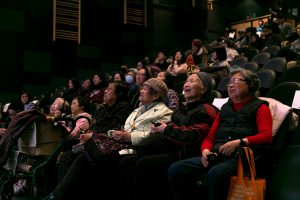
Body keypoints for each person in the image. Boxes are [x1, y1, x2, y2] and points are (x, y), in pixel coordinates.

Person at [41, 78, 173, 200]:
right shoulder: (137, 110)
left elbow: (155, 135)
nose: (141, 90)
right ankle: (58, 194)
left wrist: (129, 137)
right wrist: (116, 133)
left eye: (145, 88)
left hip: (136, 148)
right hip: (120, 144)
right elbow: (123, 129)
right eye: (142, 87)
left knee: (85, 156)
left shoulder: (165, 112)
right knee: (80, 157)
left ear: (155, 95)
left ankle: (57, 195)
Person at [168, 68, 273, 200]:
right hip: (217, 155)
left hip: (242, 158)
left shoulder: (261, 107)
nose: (230, 85)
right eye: (229, 82)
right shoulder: (225, 108)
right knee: (176, 169)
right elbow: (210, 137)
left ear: (250, 85)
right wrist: (205, 150)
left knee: (216, 173)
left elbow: (266, 136)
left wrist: (240, 142)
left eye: (236, 81)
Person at [119, 72, 219, 200]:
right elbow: (176, 124)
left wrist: (166, 129)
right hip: (170, 148)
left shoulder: (206, 109)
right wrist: (161, 127)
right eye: (186, 81)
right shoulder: (182, 108)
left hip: (185, 153)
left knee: (144, 164)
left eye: (192, 81)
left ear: (204, 88)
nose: (186, 84)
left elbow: (194, 135)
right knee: (127, 162)